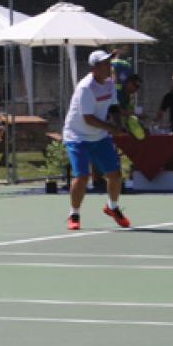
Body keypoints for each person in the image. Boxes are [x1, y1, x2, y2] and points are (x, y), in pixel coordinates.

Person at [62, 50, 131, 231]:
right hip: (77, 136)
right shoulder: (86, 87)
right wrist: (113, 129)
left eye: (109, 62)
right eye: (105, 63)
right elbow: (88, 118)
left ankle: (112, 207)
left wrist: (119, 126)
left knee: (115, 175)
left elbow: (114, 107)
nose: (109, 66)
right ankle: (74, 214)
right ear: (95, 67)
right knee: (82, 176)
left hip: (99, 136)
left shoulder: (109, 84)